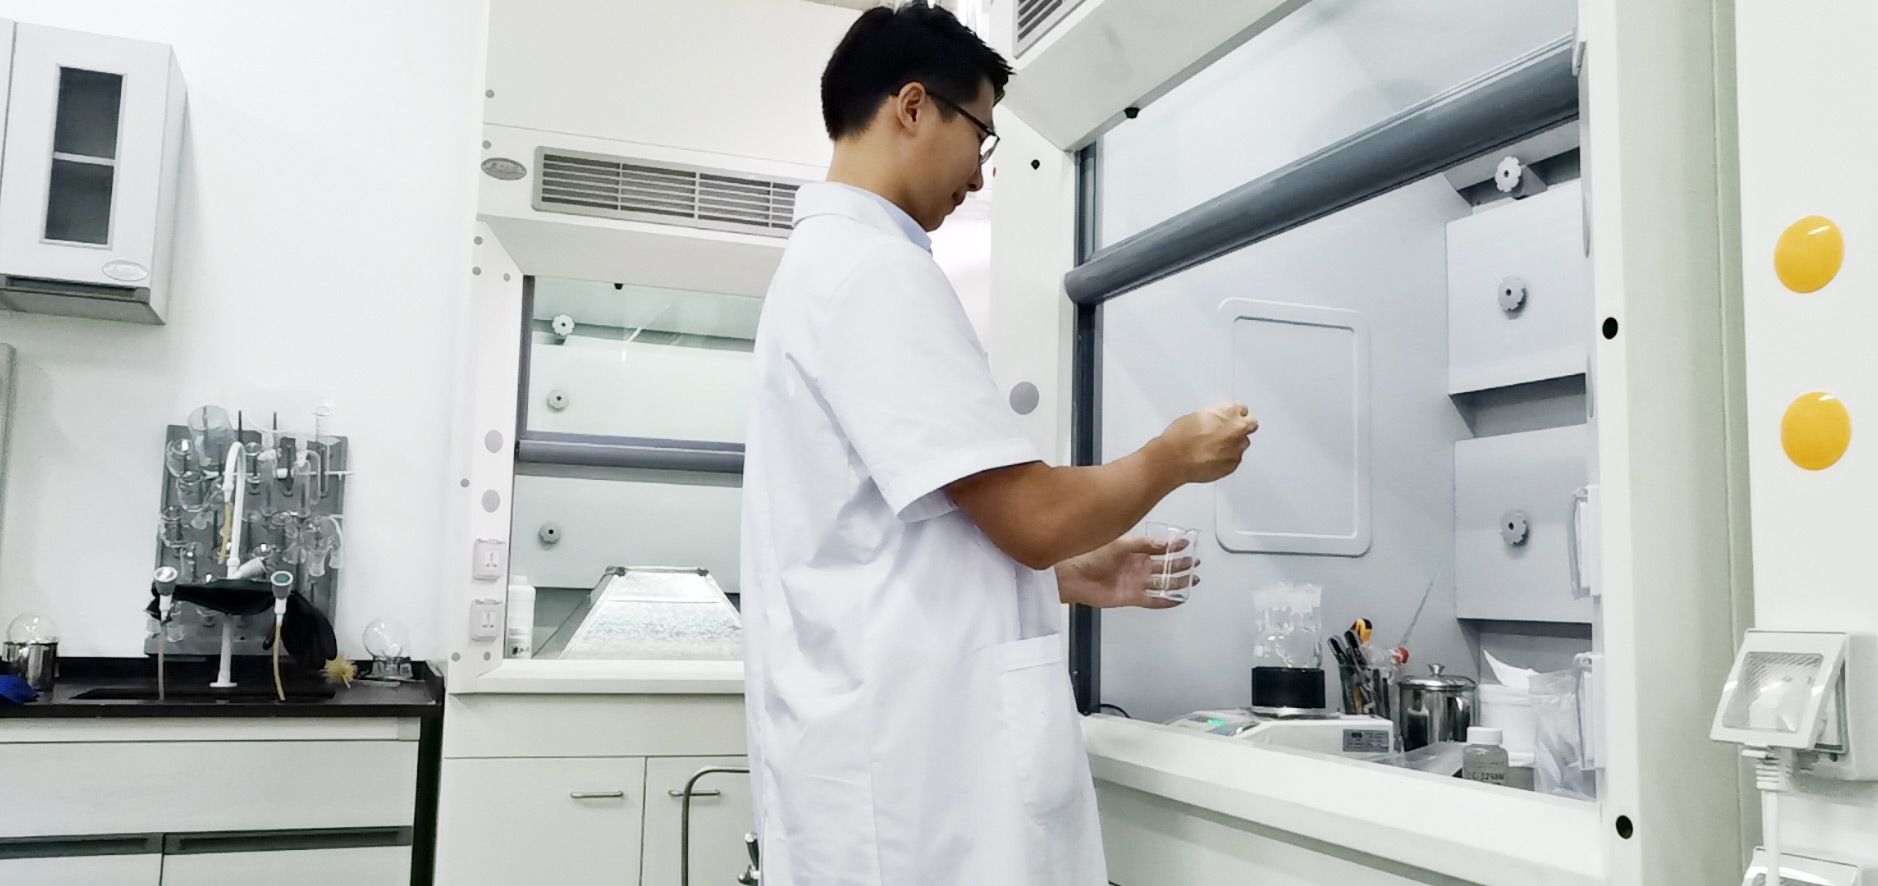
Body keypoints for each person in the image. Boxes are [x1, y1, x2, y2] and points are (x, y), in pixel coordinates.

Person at [739, 5, 1259, 885]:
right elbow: (1030, 516)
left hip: (873, 767)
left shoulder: (826, 268)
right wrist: (1170, 458)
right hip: (914, 793)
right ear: (913, 107)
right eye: (980, 136)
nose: (980, 176)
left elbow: (883, 545)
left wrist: (1063, 576)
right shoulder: (873, 273)